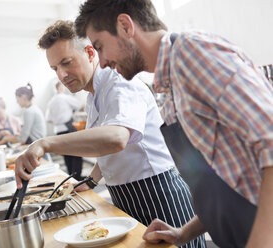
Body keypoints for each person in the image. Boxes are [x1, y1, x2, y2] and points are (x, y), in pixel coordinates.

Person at [75, 0, 273, 247]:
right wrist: (183, 232)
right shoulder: (167, 87)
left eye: (100, 46)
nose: (102, 62)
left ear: (125, 26)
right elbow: (223, 180)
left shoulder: (193, 53)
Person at [15, 20, 205, 248]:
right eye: (55, 68)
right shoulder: (92, 96)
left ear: (89, 52)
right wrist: (93, 179)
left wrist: (45, 144)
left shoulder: (121, 83)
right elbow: (105, 148)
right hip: (125, 195)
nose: (62, 75)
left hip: (158, 193)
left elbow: (116, 138)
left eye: (66, 62)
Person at [45, 82, 84, 180]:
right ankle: (77, 178)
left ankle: (71, 176)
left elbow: (48, 119)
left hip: (58, 130)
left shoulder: (51, 101)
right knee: (77, 153)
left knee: (67, 155)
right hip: (68, 128)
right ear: (62, 87)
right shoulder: (65, 97)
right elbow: (80, 105)